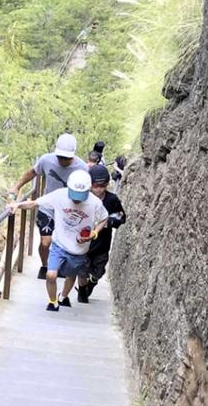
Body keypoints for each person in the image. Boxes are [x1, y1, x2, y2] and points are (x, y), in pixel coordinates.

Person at [11, 170, 108, 311]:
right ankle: (53, 301)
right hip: (59, 244)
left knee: (71, 274)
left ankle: (63, 296)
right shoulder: (59, 195)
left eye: (80, 196)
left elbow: (104, 218)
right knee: (51, 275)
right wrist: (17, 205)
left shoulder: (95, 203)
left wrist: (94, 233)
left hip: (79, 248)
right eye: (74, 194)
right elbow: (35, 203)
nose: (77, 199)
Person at [8, 133, 88, 279]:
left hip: (69, 211)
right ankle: (45, 266)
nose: (63, 161)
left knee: (65, 243)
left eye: (66, 158)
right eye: (60, 157)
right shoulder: (46, 160)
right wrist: (16, 187)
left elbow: (88, 189)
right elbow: (32, 173)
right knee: (46, 242)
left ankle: (60, 267)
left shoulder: (82, 167)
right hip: (47, 207)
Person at [77, 164, 126, 303]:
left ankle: (92, 282)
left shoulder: (112, 200)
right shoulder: (82, 198)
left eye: (102, 185)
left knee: (98, 271)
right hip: (84, 243)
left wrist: (109, 221)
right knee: (82, 270)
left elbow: (121, 217)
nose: (99, 189)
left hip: (102, 244)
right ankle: (82, 292)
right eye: (95, 185)